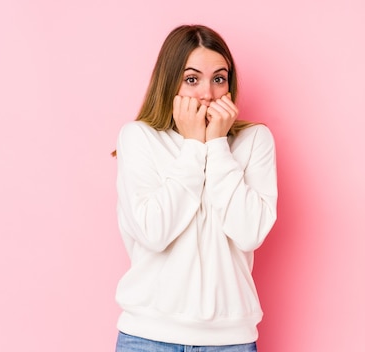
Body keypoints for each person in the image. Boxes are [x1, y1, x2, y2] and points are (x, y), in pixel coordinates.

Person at [113, 24, 277, 351]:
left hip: (231, 341)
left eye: (219, 78)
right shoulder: (138, 137)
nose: (207, 93)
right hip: (148, 338)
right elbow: (153, 231)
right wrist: (192, 145)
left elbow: (249, 232)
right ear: (170, 81)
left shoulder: (255, 140)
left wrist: (216, 144)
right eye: (192, 79)